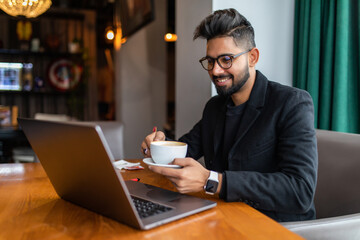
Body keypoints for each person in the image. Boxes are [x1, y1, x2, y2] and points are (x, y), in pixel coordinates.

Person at [140, 8, 318, 222]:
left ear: (252, 57)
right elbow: (186, 150)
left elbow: (300, 191)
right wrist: (160, 144)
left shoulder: (291, 103)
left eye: (226, 59)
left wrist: (213, 181)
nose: (215, 71)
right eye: (210, 61)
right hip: (223, 217)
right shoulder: (215, 107)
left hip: (276, 228)